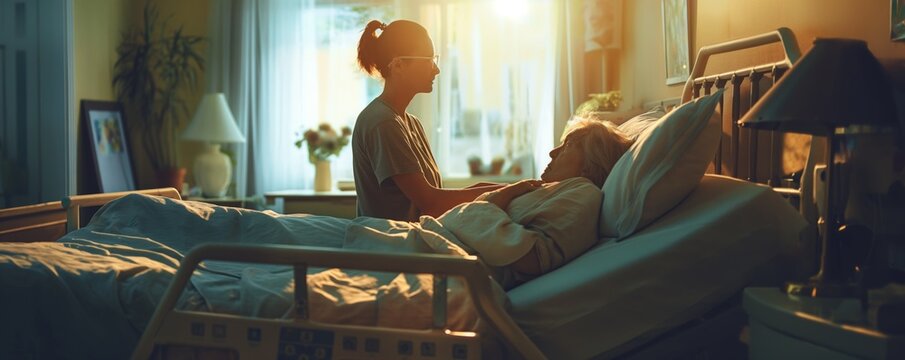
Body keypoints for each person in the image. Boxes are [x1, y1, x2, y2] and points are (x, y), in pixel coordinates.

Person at [354, 19, 502, 222]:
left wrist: (515, 188)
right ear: (398, 65)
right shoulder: (382, 123)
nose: (436, 70)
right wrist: (509, 192)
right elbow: (431, 202)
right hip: (394, 245)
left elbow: (435, 196)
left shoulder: (411, 122)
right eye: (429, 60)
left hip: (417, 239)